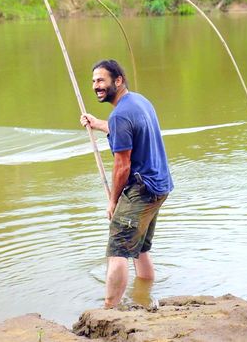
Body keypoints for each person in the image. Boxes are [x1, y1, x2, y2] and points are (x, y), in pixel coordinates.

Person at [80, 59, 173, 309]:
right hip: (160, 186)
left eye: (101, 80)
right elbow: (128, 130)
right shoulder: (139, 101)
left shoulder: (120, 114)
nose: (96, 86)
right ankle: (144, 296)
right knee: (140, 248)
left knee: (118, 249)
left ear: (118, 80)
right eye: (93, 81)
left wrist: (113, 201)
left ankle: (109, 310)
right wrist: (98, 124)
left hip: (142, 190)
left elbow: (122, 165)